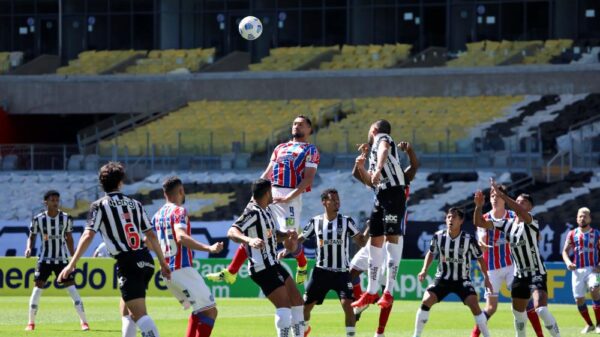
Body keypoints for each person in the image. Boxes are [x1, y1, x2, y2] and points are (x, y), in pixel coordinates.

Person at [58, 161, 171, 337]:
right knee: (127, 313)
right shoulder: (135, 204)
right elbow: (152, 236)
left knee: (140, 316)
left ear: (101, 183)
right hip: (146, 260)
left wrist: (71, 264)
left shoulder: (99, 205)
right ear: (120, 182)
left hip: (128, 262)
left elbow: (88, 235)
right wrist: (163, 263)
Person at [208, 115, 320, 285]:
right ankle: (231, 272)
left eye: (301, 124)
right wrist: (256, 193)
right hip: (270, 193)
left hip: (291, 196)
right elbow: (268, 172)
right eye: (294, 124)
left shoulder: (311, 150)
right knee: (252, 232)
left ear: (309, 130)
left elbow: (308, 180)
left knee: (290, 242)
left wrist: (287, 198)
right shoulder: (280, 147)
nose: (297, 126)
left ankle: (303, 264)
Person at [474, 180, 561, 337]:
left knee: (540, 309)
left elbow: (518, 209)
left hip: (536, 272)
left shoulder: (531, 221)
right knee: (519, 316)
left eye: (523, 202)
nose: (519, 204)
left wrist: (503, 196)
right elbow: (479, 222)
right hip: (519, 275)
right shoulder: (507, 224)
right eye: (518, 201)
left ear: (530, 207)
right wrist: (479, 206)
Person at [350, 140, 418, 337]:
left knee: (388, 287)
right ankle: (362, 303)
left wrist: (410, 151)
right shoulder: (378, 182)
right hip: (376, 236)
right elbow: (358, 176)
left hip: (395, 236)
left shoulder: (401, 179)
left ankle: (380, 332)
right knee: (350, 274)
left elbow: (414, 167)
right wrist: (360, 162)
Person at [283, 188, 367, 337]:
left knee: (348, 306)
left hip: (341, 273)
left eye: (338, 200)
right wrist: (287, 250)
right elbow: (301, 239)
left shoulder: (346, 221)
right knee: (305, 309)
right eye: (333, 200)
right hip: (321, 273)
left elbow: (361, 242)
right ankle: (305, 329)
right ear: (324, 202)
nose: (337, 202)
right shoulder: (316, 221)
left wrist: (369, 229)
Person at [227, 179, 304, 337]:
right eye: (273, 191)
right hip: (261, 267)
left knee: (297, 301)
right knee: (284, 307)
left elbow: (272, 236)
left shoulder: (267, 210)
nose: (274, 194)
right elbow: (232, 232)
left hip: (273, 263)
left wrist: (287, 235)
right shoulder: (252, 212)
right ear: (267, 192)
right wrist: (250, 240)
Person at [152, 176, 224, 337]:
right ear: (181, 191)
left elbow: (148, 242)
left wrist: (162, 262)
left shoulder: (157, 215)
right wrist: (209, 248)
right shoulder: (179, 211)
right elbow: (181, 237)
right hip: (181, 269)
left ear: (164, 194)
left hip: (167, 273)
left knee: (199, 311)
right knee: (211, 311)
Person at [351, 120, 407, 311]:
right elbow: (370, 181)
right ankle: (371, 290)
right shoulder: (372, 153)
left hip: (393, 193)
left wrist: (378, 167)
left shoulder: (382, 139)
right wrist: (361, 166)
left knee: (391, 238)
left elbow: (384, 149)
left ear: (373, 130)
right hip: (381, 196)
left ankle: (389, 291)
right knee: (375, 240)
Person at [413, 208, 492, 337]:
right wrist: (424, 269)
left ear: (461, 221)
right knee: (426, 300)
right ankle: (416, 335)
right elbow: (431, 253)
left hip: (462, 280)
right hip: (442, 279)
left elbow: (480, 258)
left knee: (474, 304)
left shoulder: (468, 239)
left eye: (454, 217)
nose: (451, 220)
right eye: (449, 217)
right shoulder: (438, 236)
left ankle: (487, 335)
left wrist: (486, 278)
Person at [24, 190, 89, 331]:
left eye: (57, 200)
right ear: (45, 202)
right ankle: (31, 323)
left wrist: (73, 258)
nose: (55, 203)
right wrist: (29, 248)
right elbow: (32, 236)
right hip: (44, 260)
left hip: (62, 260)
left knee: (72, 289)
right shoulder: (38, 219)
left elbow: (69, 238)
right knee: (37, 290)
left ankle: (84, 322)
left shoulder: (66, 218)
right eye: (52, 200)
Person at [562, 207, 600, 334]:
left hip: (594, 270)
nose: (582, 218)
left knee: (595, 289)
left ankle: (599, 324)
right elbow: (565, 251)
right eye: (580, 216)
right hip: (577, 271)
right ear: (577, 218)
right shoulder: (572, 234)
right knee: (579, 299)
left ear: (590, 218)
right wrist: (568, 262)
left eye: (585, 216)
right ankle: (589, 325)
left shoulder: (597, 234)